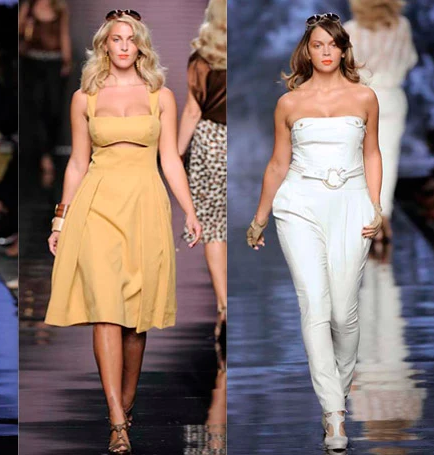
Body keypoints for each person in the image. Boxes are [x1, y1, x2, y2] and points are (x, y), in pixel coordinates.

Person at [44, 9, 202, 454]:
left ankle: (126, 404)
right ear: (105, 45)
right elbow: (77, 163)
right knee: (105, 309)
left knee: (136, 318)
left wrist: (190, 211)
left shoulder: (161, 96)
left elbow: (170, 159)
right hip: (97, 204)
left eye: (131, 39)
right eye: (117, 38)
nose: (125, 46)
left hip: (145, 204)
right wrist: (61, 218)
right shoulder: (85, 98)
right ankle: (116, 418)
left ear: (141, 45)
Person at [245, 13, 383, 451]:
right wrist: (260, 217)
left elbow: (372, 153)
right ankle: (334, 414)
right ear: (307, 50)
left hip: (352, 204)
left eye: (332, 44)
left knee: (344, 313)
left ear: (343, 50)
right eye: (317, 44)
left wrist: (376, 205)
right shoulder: (289, 103)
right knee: (315, 306)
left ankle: (336, 395)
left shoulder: (365, 97)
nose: (325, 52)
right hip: (298, 205)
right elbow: (278, 163)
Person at [344, 0, 418, 244]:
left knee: (360, 158)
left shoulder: (351, 29)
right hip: (392, 96)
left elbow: (344, 68)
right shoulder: (402, 26)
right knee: (387, 157)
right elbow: (410, 59)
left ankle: (363, 220)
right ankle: (382, 217)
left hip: (361, 97)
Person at [178, 0, 227, 325]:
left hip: (211, 142)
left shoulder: (202, 58)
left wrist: (175, 154)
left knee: (213, 228)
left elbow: (193, 110)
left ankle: (224, 305)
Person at [18, 0, 72, 186]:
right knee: (36, 108)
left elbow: (64, 34)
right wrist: (25, 24)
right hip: (32, 63)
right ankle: (45, 157)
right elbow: (19, 31)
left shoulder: (60, 8)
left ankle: (49, 152)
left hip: (54, 63)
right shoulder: (29, 6)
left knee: (54, 110)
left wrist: (67, 61)